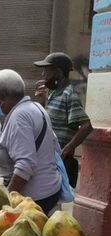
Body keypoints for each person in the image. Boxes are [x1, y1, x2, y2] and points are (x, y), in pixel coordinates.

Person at [0, 69, 61, 214]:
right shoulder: (36, 107)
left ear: (1, 97)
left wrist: (7, 204)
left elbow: (25, 164)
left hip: (32, 200)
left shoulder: (19, 117)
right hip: (49, 192)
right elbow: (55, 147)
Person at [34, 53, 92, 188]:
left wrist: (66, 149)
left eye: (46, 71)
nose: (43, 75)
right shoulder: (54, 93)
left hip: (59, 163)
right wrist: (41, 102)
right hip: (48, 160)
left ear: (58, 72)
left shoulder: (69, 94)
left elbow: (86, 126)